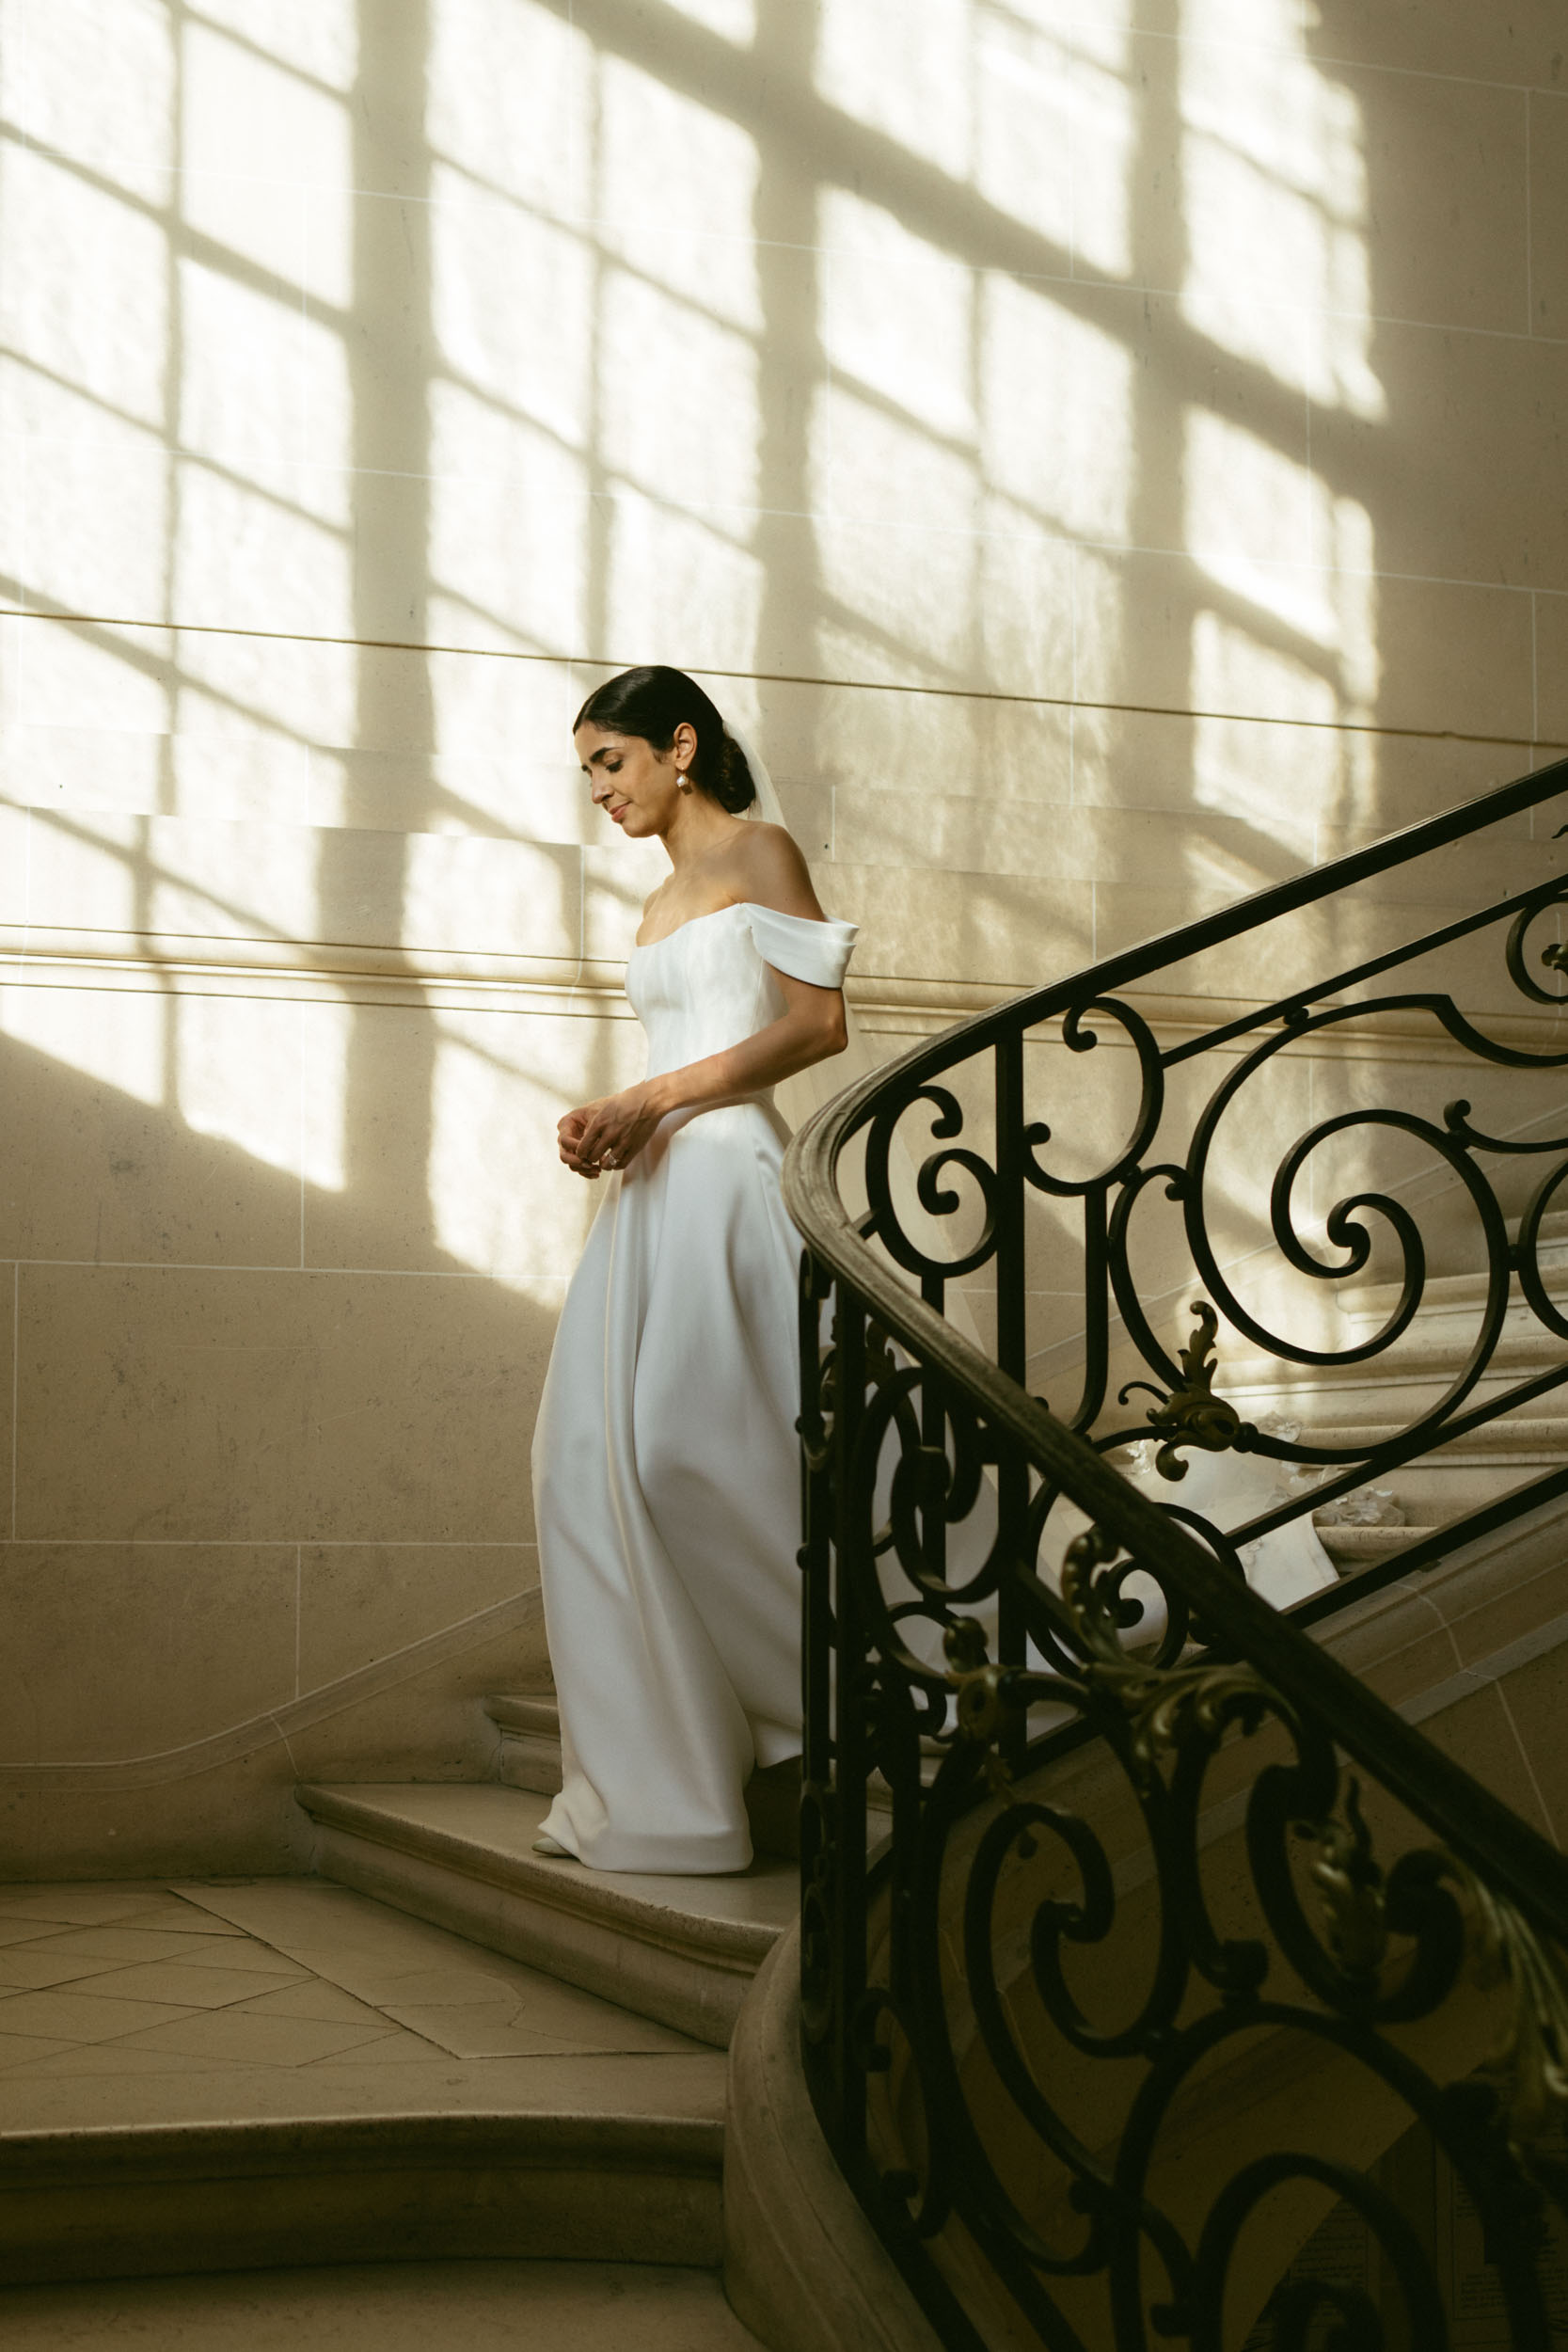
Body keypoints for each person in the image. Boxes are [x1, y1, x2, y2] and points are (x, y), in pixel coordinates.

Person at [531, 666, 857, 1872]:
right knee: (580, 1464)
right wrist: (606, 1126)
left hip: (724, 1178)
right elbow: (674, 1049)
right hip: (653, 1193)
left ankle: (840, 1699)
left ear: (681, 747)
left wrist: (649, 1097)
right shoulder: (657, 906)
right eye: (587, 775)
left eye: (609, 764)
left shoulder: (757, 852)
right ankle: (666, 1774)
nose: (599, 793)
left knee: (678, 1447)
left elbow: (817, 1024)